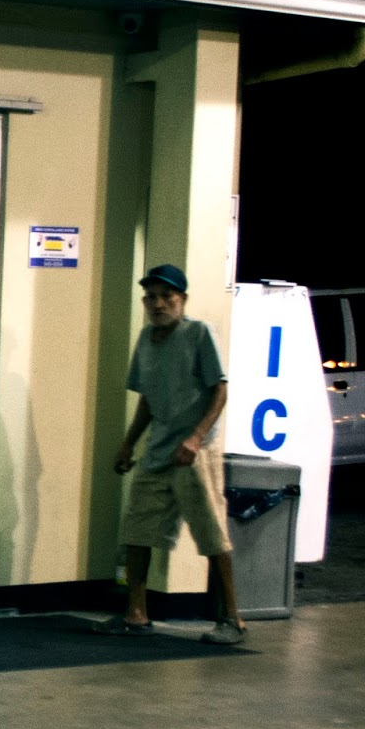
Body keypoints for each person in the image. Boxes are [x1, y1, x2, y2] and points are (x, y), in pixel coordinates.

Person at [96, 264, 246, 644]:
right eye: (151, 297)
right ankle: (136, 613)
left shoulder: (198, 334)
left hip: (196, 451)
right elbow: (148, 398)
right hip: (159, 449)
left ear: (182, 300)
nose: (158, 304)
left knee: (212, 533)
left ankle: (232, 618)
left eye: (167, 297)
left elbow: (220, 390)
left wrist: (196, 438)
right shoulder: (146, 340)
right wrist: (129, 443)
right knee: (137, 530)